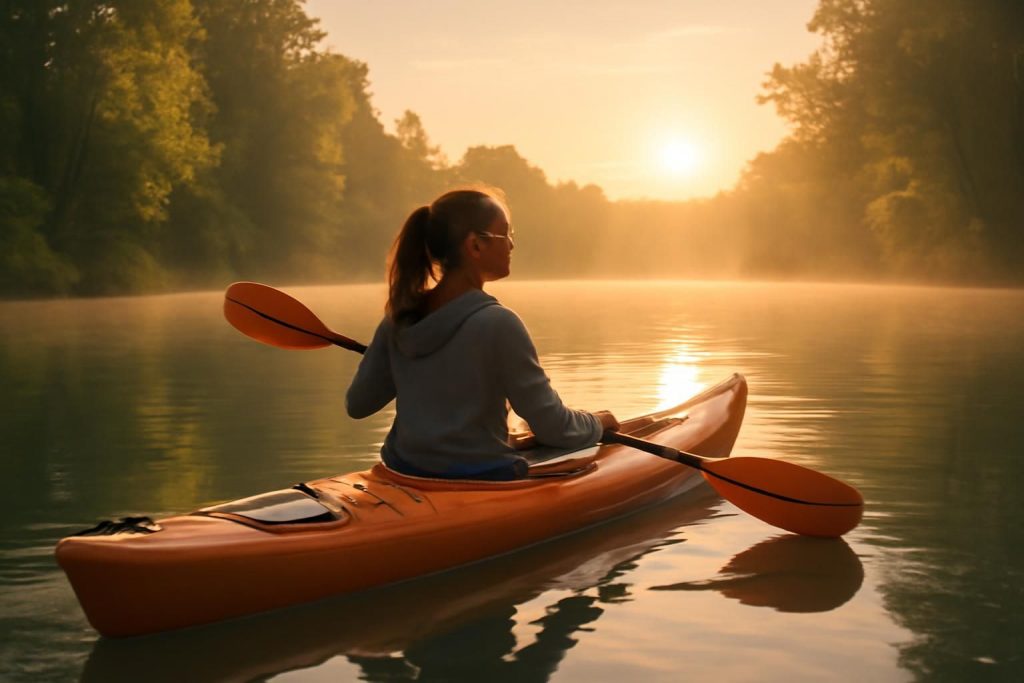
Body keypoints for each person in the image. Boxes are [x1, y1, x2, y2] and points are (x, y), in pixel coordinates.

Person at [346, 187, 619, 480]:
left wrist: (396, 362)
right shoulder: (499, 324)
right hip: (480, 477)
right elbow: (553, 426)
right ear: (475, 246)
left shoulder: (398, 321)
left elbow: (358, 403)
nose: (512, 245)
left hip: (403, 472)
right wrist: (596, 423)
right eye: (505, 234)